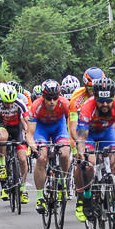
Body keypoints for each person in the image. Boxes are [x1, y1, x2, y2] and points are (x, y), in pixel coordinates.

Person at [75, 76, 115, 222]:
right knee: (89, 163)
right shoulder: (87, 107)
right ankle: (86, 196)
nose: (105, 104)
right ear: (95, 98)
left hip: (107, 133)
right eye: (101, 101)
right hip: (90, 135)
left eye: (108, 101)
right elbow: (81, 137)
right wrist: (82, 153)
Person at [26, 79, 71, 214]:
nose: (52, 101)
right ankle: (40, 197)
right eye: (48, 98)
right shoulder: (36, 106)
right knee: (42, 158)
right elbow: (29, 133)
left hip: (59, 128)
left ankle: (63, 181)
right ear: (43, 97)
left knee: (64, 153)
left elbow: (74, 124)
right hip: (42, 130)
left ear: (59, 96)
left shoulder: (65, 104)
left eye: (55, 98)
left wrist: (75, 141)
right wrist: (33, 147)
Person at [0, 83, 30, 202]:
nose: (10, 105)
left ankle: (23, 188)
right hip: (3, 127)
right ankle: (2, 163)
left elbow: (27, 121)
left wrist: (29, 134)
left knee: (22, 159)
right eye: (7, 103)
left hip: (16, 128)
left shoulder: (19, 103)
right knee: (2, 136)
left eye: (12, 102)